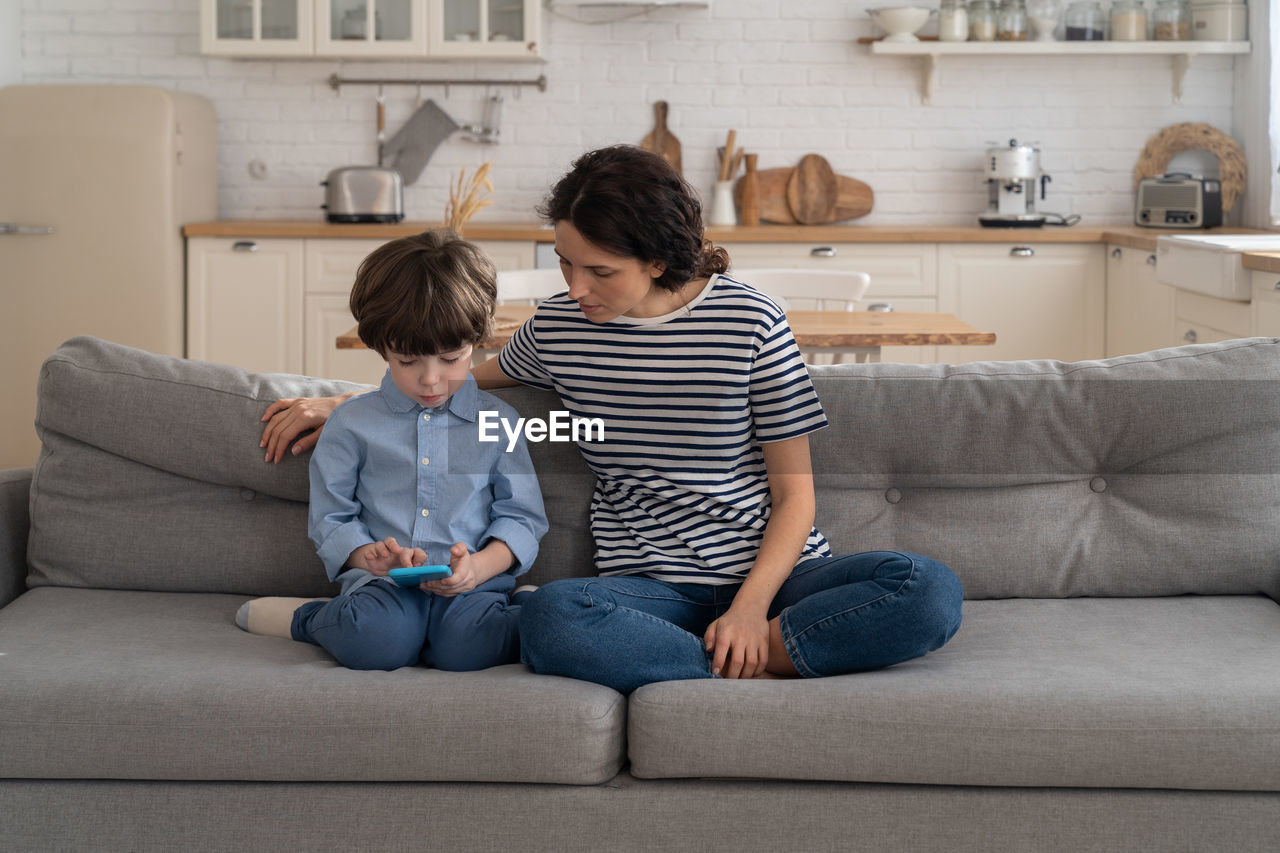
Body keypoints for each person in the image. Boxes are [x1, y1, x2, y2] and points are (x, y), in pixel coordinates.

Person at [260, 146, 962, 693]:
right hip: (642, 592)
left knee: (927, 590)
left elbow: (795, 495)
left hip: (773, 583)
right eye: (565, 263)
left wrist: (750, 611)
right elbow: (445, 378)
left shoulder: (751, 321)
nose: (574, 288)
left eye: (598, 271)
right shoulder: (563, 328)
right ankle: (761, 659)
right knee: (549, 616)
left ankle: (751, 653)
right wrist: (342, 403)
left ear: (655, 259)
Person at [240, 229, 548, 672]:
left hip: (472, 585)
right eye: (408, 361)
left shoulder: (501, 423)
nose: (430, 379)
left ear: (478, 341)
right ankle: (308, 619)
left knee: (468, 650)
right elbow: (332, 519)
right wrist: (372, 558)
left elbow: (522, 519)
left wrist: (478, 569)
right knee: (376, 645)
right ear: (380, 346)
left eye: (451, 358)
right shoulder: (349, 423)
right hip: (381, 585)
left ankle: (519, 606)